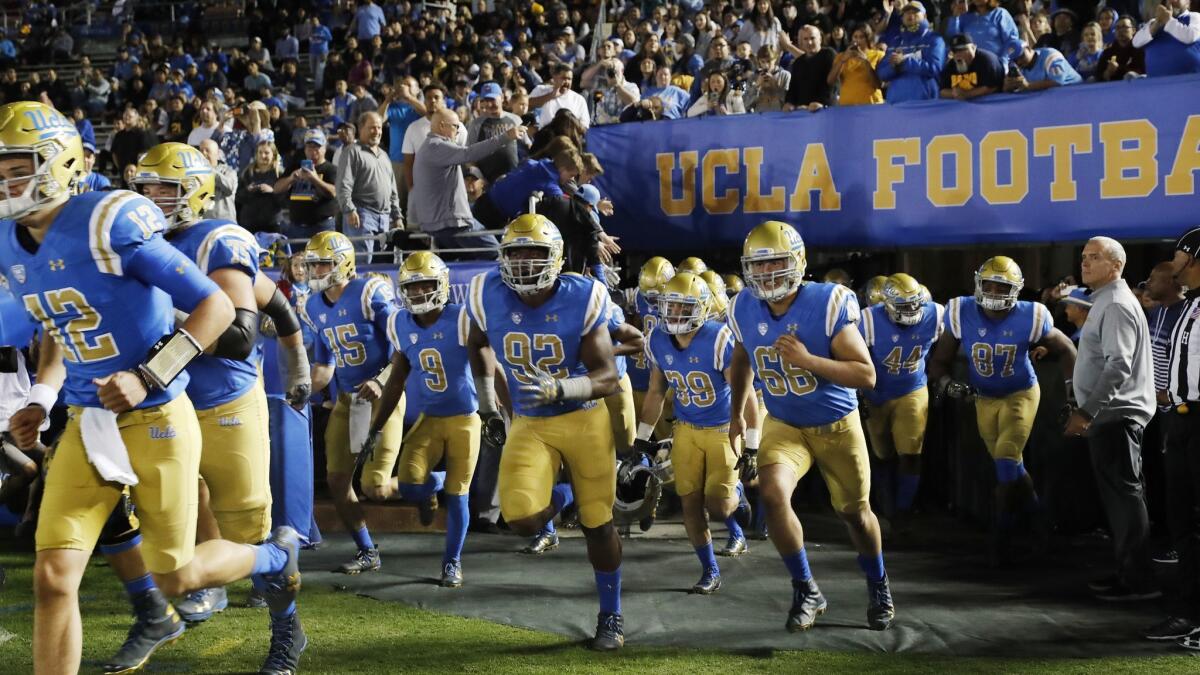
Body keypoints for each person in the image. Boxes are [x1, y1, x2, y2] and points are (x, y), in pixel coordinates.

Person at [0, 101, 300, 674]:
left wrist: (147, 375)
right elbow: (65, 324)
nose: (5, 180)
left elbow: (215, 307)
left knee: (177, 574)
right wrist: (40, 397)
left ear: (58, 164)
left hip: (158, 413)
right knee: (53, 574)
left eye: (17, 166)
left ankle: (274, 553)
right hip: (89, 421)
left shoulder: (106, 220)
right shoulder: (7, 241)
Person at [99, 141, 312, 672]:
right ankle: (179, 599)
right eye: (144, 188)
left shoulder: (217, 239)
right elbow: (275, 298)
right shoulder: (126, 241)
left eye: (165, 189)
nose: (152, 199)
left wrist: (297, 363)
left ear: (194, 192)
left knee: (250, 544)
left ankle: (287, 629)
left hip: (223, 405)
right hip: (161, 407)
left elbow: (242, 334)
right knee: (157, 519)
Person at [465, 214, 625, 649]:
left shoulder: (583, 296)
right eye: (515, 252)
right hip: (531, 422)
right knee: (520, 519)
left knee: (599, 524)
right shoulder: (485, 294)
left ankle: (611, 615)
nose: (522, 262)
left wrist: (563, 387)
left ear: (554, 257)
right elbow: (476, 342)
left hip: (584, 417)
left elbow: (608, 375)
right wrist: (487, 404)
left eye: (533, 252)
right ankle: (561, 497)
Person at [727, 220, 894, 632]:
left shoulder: (827, 301)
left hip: (837, 424)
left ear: (798, 263)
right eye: (759, 266)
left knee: (855, 514)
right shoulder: (742, 306)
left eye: (776, 264)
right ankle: (805, 588)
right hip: (785, 423)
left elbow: (866, 375)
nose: (766, 274)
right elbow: (742, 357)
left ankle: (878, 583)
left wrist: (809, 360)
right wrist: (736, 414)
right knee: (772, 493)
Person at [928, 256, 1077, 565]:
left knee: (1007, 461)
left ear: (1017, 290)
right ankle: (1038, 520)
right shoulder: (960, 310)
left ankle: (1001, 539)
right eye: (989, 285)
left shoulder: (1032, 315)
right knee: (1009, 466)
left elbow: (1066, 349)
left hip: (1020, 394)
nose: (994, 292)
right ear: (977, 284)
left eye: (1002, 286)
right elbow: (939, 361)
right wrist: (946, 384)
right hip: (984, 398)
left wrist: (1073, 392)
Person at [365, 252, 484, 587]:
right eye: (412, 288)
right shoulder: (399, 322)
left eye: (425, 286)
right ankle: (438, 484)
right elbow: (397, 379)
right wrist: (375, 426)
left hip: (465, 418)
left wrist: (495, 410)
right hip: (430, 418)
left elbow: (488, 365)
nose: (418, 294)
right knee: (409, 484)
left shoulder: (461, 318)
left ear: (442, 285)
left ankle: (452, 562)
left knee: (458, 494)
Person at [635, 272, 748, 594]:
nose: (674, 315)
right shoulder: (656, 338)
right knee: (690, 502)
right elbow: (656, 392)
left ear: (701, 308)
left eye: (683, 308)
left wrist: (750, 440)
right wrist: (643, 437)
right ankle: (709, 569)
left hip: (722, 428)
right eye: (670, 307)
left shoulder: (718, 337)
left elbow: (744, 391)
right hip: (685, 428)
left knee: (720, 506)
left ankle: (737, 498)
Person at [300, 231, 404, 575]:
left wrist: (380, 379)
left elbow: (402, 346)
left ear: (343, 263)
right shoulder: (313, 305)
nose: (315, 271)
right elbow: (325, 367)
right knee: (337, 481)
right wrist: (301, 391)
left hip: (383, 395)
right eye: (312, 265)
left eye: (322, 264)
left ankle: (428, 483)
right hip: (349, 400)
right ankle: (367, 551)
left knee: (376, 487)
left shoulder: (369, 292)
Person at [1065, 237, 1158, 601]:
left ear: (1116, 265)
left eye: (1094, 258)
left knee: (1125, 499)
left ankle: (1138, 580)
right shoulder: (1106, 301)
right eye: (1084, 256)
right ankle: (1132, 573)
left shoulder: (1116, 304)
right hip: (1112, 415)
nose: (1085, 263)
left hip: (1115, 416)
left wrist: (1086, 411)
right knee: (1122, 498)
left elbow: (1118, 364)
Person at [1143, 228, 1200, 648]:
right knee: (1184, 524)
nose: (1175, 264)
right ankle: (1191, 611)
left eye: (1181, 256)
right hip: (1180, 420)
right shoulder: (1191, 305)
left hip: (1196, 421)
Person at [859, 273, 943, 523]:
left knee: (911, 452)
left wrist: (940, 374)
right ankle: (887, 505)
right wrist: (856, 392)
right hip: (877, 393)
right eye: (904, 306)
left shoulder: (935, 314)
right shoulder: (869, 321)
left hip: (912, 389)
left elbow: (949, 343)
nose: (911, 310)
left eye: (914, 304)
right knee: (882, 453)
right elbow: (848, 356)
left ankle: (902, 513)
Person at [1143, 262, 1187, 566]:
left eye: (1153, 280)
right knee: (1155, 475)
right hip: (1153, 410)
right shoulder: (1155, 313)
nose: (1147, 284)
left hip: (1178, 412)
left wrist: (1169, 394)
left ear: (1173, 282)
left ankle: (1179, 544)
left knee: (1178, 481)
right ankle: (1161, 534)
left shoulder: (1188, 315)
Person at [336, 112, 403, 262]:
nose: (377, 132)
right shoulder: (352, 151)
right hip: (361, 215)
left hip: (384, 218)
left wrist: (397, 216)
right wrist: (349, 209)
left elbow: (392, 190)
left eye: (379, 128)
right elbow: (343, 184)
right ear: (361, 129)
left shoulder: (384, 155)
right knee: (363, 262)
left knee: (381, 264)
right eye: (372, 127)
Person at [876, 1, 947, 103]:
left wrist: (904, 62)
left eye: (915, 12)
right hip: (896, 102)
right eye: (906, 12)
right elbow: (881, 73)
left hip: (925, 101)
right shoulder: (896, 41)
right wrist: (894, 67)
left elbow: (935, 68)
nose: (910, 15)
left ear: (925, 15)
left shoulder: (934, 39)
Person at [275, 128, 337, 240]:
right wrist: (290, 179)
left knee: (322, 258)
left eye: (317, 146)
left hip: (322, 226)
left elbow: (334, 192)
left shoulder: (331, 169)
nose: (312, 150)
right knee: (295, 257)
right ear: (304, 149)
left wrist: (314, 178)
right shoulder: (294, 167)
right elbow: (277, 188)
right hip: (296, 226)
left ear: (324, 148)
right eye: (309, 146)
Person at [464, 82, 522, 182]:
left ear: (502, 98)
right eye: (486, 100)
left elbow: (525, 147)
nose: (489, 104)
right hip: (487, 181)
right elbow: (469, 155)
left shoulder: (515, 120)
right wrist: (479, 177)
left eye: (492, 99)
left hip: (514, 178)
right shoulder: (475, 124)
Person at [944, 0, 1024, 66]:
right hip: (971, 67)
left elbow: (1012, 42)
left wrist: (1003, 61)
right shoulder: (965, 17)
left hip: (996, 66)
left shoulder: (1000, 14)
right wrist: (956, 16)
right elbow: (953, 39)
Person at [1132, 0, 1200, 77]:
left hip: (1190, 81)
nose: (1172, 1)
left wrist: (1168, 20)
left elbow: (1190, 36)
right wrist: (1157, 23)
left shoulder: (1195, 16)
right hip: (1157, 83)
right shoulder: (1154, 22)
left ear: (1188, 3)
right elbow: (1136, 42)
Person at [780, 25, 835, 111]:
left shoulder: (828, 54)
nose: (809, 42)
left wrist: (821, 103)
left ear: (820, 39)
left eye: (812, 38)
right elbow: (793, 88)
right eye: (805, 39)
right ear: (801, 42)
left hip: (824, 110)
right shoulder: (798, 63)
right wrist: (789, 103)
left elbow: (832, 83)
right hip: (801, 112)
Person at [940, 33, 1006, 100]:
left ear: (973, 48)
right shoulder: (951, 65)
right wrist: (954, 93)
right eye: (954, 51)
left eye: (963, 50)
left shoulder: (986, 60)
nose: (958, 54)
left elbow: (991, 88)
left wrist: (966, 94)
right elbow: (942, 91)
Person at [830, 26, 884, 106]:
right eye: (855, 37)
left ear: (868, 38)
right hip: (847, 106)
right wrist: (842, 60)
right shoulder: (841, 56)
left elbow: (878, 85)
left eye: (862, 37)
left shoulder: (878, 55)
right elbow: (831, 81)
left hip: (871, 104)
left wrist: (866, 61)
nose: (858, 40)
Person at [528, 63, 590, 130]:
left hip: (567, 138)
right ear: (554, 78)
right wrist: (551, 96)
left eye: (569, 79)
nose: (567, 82)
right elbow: (528, 106)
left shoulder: (579, 99)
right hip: (545, 137)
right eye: (564, 78)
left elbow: (585, 125)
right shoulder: (540, 90)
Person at [1004, 41, 1083, 92]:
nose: (1019, 62)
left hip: (1076, 90)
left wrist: (1028, 86)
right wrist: (1009, 87)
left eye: (1022, 56)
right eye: (1015, 60)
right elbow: (1018, 88)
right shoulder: (1018, 67)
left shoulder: (1051, 55)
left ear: (1028, 48)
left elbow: (1057, 82)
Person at [198, 139, 238, 222]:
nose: (203, 153)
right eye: (201, 150)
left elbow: (229, 188)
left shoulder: (228, 171)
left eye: (207, 150)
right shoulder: (195, 173)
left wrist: (210, 170)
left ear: (217, 154)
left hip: (224, 224)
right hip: (203, 223)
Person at [1098, 15, 1147, 81]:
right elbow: (1098, 75)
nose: (1120, 30)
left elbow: (1143, 71)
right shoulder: (1108, 52)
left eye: (1124, 27)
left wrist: (1118, 69)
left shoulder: (1140, 49)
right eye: (1117, 28)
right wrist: (1108, 72)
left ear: (1133, 30)